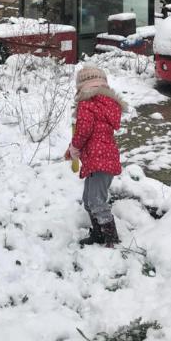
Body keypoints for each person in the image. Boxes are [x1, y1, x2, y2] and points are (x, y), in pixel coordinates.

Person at [65, 65, 124, 247]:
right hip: (102, 158)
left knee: (96, 201)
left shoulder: (87, 103)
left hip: (99, 160)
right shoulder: (108, 103)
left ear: (82, 86)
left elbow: (83, 131)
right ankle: (99, 233)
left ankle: (110, 238)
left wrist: (74, 148)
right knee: (89, 200)